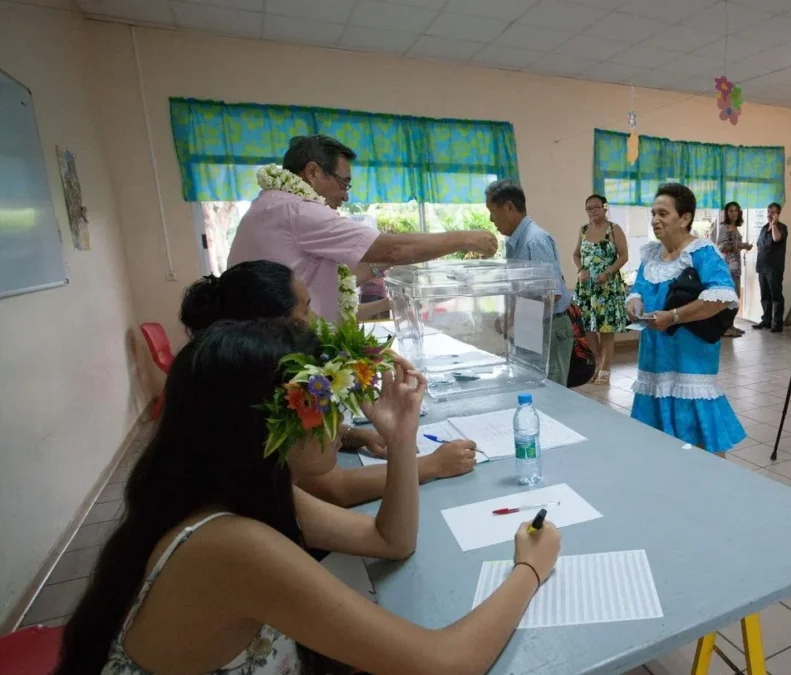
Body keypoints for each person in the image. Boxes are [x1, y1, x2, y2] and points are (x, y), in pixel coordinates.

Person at [56, 320, 562, 675]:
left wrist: (403, 439)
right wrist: (530, 568)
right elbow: (447, 663)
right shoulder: (230, 545)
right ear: (269, 426)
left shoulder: (239, 491)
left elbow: (390, 540)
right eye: (325, 403)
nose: (343, 422)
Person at [179, 261, 478, 507]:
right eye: (305, 311)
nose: (314, 322)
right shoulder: (258, 391)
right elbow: (335, 488)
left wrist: (355, 435)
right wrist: (431, 465)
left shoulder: (240, 370)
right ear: (275, 325)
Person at [229, 135, 499, 321]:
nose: (345, 195)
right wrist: (466, 238)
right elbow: (394, 250)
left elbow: (324, 277)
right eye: (343, 183)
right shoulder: (299, 210)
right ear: (312, 172)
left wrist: (380, 268)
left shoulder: (271, 205)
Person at [625, 183, 746, 455]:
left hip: (690, 361)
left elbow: (723, 297)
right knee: (658, 442)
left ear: (685, 218)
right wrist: (634, 302)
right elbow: (639, 290)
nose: (655, 219)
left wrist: (674, 316)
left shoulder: (702, 253)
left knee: (699, 437)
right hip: (654, 359)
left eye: (663, 214)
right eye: (653, 213)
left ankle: (711, 492)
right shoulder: (650, 256)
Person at [486, 179, 573, 387]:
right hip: (531, 325)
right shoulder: (515, 242)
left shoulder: (534, 240)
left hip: (548, 328)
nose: (491, 219)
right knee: (531, 386)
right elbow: (523, 290)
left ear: (509, 207)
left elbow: (552, 294)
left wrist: (514, 317)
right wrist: (509, 317)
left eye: (492, 211)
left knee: (551, 390)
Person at [572, 194, 629, 383]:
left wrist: (609, 272)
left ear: (604, 208)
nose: (592, 211)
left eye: (596, 207)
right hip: (587, 288)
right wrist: (580, 269)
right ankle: (596, 362)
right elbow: (575, 255)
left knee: (606, 328)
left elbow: (623, 256)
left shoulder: (614, 229)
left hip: (607, 287)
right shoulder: (583, 230)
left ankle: (606, 367)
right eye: (589, 208)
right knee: (587, 326)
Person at [710, 201, 753, 337]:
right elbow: (721, 247)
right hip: (728, 266)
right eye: (730, 211)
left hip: (736, 266)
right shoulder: (725, 228)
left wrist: (743, 246)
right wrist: (738, 246)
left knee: (735, 296)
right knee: (729, 297)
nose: (733, 213)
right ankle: (724, 328)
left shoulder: (735, 227)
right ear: (726, 213)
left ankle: (730, 325)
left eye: (736, 210)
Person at [752, 202, 788, 332]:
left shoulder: (782, 227)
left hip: (774, 268)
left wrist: (773, 224)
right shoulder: (763, 228)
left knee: (776, 296)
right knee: (765, 296)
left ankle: (777, 323)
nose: (769, 214)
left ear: (778, 214)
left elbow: (776, 238)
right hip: (762, 266)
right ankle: (766, 320)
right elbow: (759, 244)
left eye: (772, 212)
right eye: (768, 211)